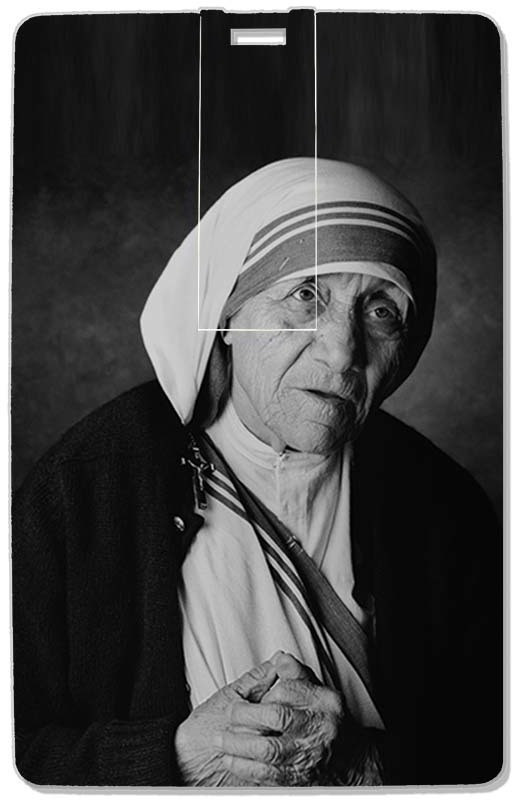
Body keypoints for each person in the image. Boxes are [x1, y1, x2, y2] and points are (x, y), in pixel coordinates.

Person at [12, 158, 501, 787]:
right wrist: (176, 756)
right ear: (227, 313)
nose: (342, 351)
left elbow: (490, 748)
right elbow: (15, 753)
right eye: (305, 295)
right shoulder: (84, 488)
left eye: (381, 311)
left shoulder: (445, 507)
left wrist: (365, 763)